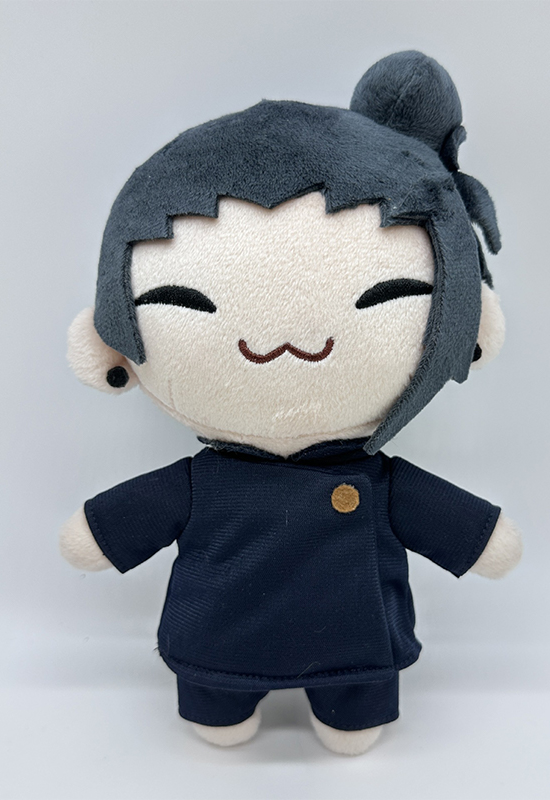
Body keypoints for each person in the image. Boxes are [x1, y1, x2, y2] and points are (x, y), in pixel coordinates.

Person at [60, 51, 522, 756]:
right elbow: (115, 526)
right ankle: (228, 705)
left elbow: (455, 526)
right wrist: (97, 534)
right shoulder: (203, 483)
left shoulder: (376, 483)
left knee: (354, 719)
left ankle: (343, 710)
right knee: (219, 711)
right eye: (189, 301)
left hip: (354, 649)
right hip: (217, 648)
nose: (285, 339)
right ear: (111, 341)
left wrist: (482, 539)